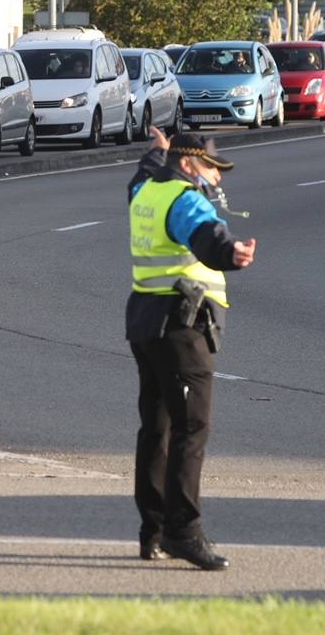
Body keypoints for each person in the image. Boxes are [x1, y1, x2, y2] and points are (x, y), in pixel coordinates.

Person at [126, 128, 256, 571]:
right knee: (192, 429)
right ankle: (185, 532)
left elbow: (138, 179)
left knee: (157, 428)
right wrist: (230, 253)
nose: (216, 179)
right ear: (187, 164)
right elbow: (205, 235)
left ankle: (154, 531)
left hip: (145, 322)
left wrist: (154, 153)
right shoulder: (185, 198)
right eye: (210, 168)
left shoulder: (146, 191)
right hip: (182, 327)